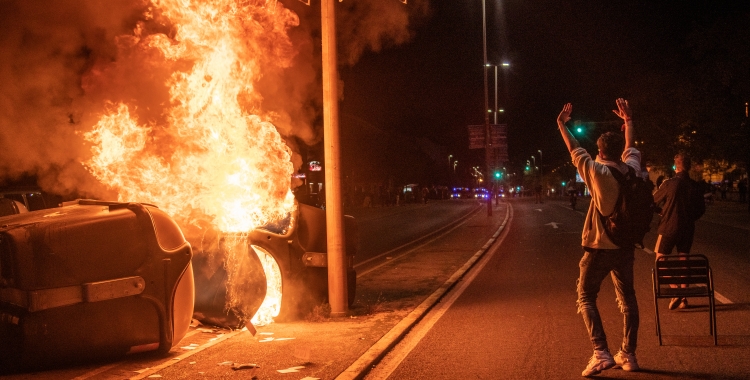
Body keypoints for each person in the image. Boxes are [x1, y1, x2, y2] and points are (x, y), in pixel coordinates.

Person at [556, 99, 641, 376]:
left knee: (586, 297)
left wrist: (561, 123)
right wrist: (628, 121)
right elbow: (631, 147)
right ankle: (628, 354)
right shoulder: (631, 169)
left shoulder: (595, 171)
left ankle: (601, 352)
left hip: (599, 247)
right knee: (628, 299)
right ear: (618, 152)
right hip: (626, 246)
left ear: (600, 151)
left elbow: (573, 148)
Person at [653, 153, 706, 310]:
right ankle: (683, 298)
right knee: (684, 260)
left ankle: (675, 291)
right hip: (687, 228)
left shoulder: (669, 183)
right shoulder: (695, 186)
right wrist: (689, 218)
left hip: (669, 227)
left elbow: (653, 201)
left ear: (676, 166)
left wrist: (662, 211)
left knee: (660, 258)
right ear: (688, 167)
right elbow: (701, 209)